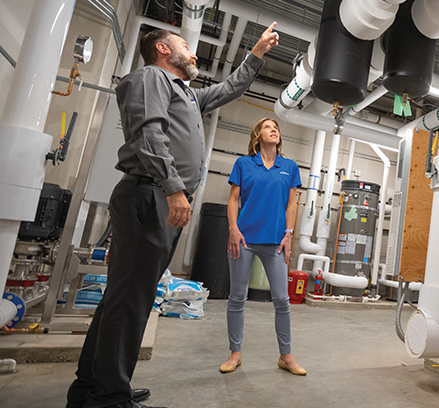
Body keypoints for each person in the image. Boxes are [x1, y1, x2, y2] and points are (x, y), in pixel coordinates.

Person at [67, 23, 280, 408]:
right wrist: (174, 188)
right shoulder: (151, 77)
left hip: (159, 195)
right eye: (187, 46)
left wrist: (258, 54)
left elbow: (228, 90)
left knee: (127, 297)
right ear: (163, 49)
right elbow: (148, 133)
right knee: (130, 298)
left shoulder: (188, 95)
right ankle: (108, 398)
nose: (194, 54)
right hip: (151, 194)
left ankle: (93, 387)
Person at [219, 117, 305, 376]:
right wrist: (234, 229)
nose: (274, 130)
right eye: (268, 127)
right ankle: (235, 353)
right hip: (244, 239)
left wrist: (289, 234)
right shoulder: (244, 164)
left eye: (276, 128)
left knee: (282, 299)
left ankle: (286, 356)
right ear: (258, 135)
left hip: (275, 242)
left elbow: (291, 204)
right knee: (237, 297)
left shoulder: (289, 167)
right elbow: (233, 200)